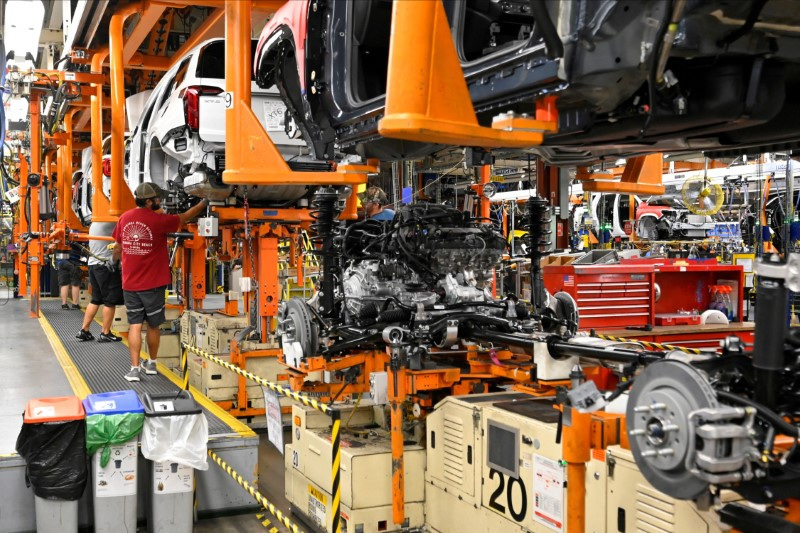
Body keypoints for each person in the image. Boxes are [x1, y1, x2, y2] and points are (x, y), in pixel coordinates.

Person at [113, 183, 208, 382]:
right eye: (157, 198)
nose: (160, 201)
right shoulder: (159, 221)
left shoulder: (124, 218)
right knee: (154, 326)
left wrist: (114, 263)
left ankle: (134, 368)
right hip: (153, 284)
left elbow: (117, 247)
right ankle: (152, 364)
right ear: (149, 201)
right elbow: (184, 218)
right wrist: (204, 202)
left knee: (135, 325)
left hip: (130, 283)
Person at [76, 221, 124, 343]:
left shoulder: (95, 223)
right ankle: (105, 333)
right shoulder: (111, 222)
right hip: (105, 265)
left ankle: (84, 331)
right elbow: (119, 244)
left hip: (93, 265)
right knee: (110, 301)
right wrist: (114, 261)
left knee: (96, 299)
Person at [57, 241, 83, 309]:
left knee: (64, 283)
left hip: (61, 260)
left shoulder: (60, 234)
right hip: (73, 261)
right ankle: (75, 304)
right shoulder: (79, 233)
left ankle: (64, 304)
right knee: (75, 283)